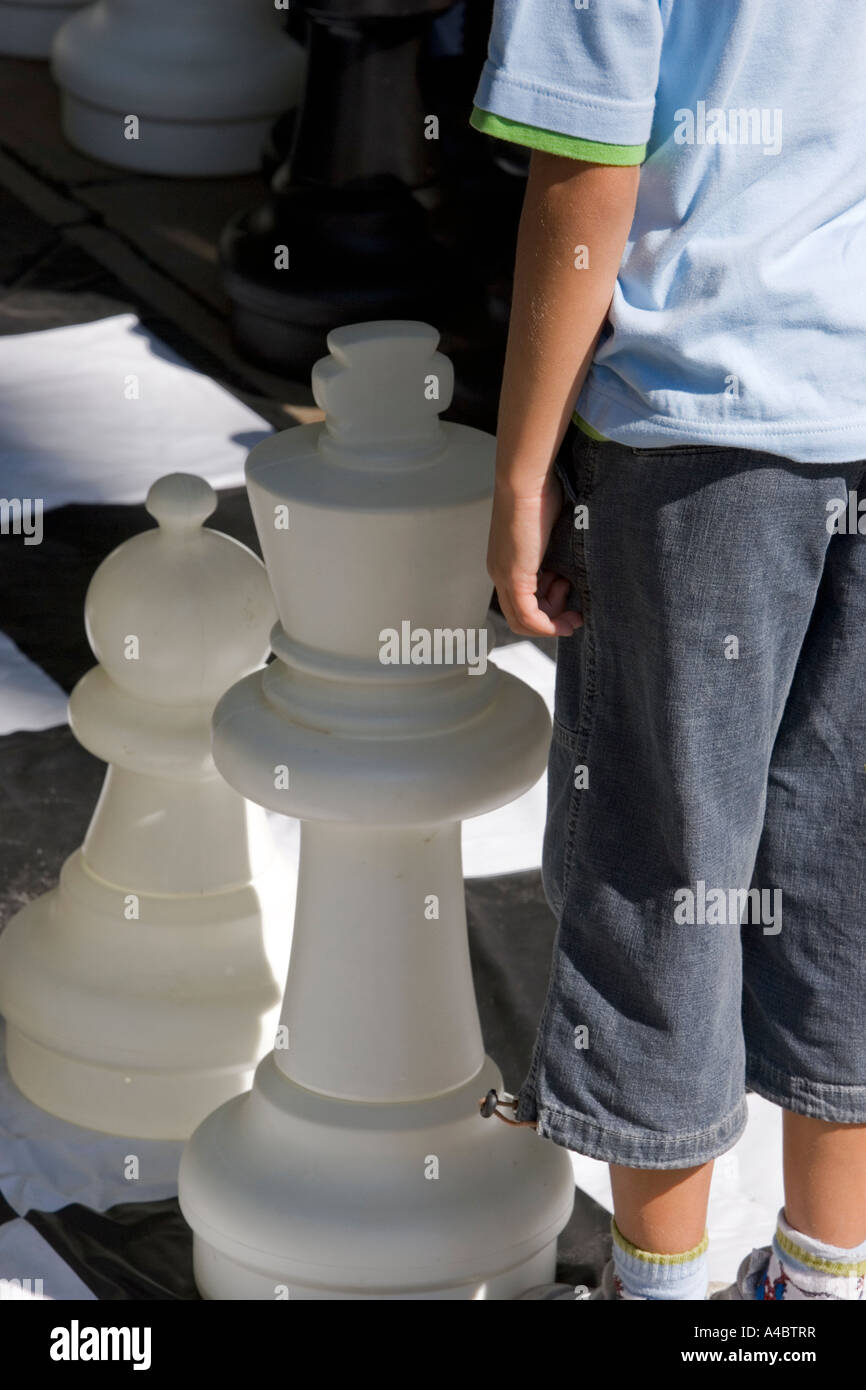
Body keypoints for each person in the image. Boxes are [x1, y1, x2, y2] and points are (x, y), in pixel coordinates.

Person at [471, 0, 866, 1301]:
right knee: (843, 860)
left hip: (701, 423)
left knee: (659, 860)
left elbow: (584, 180)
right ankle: (819, 1281)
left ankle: (662, 1295)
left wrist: (521, 466)